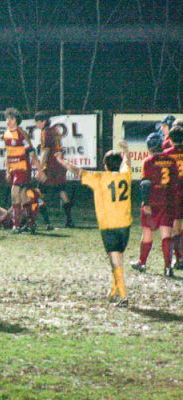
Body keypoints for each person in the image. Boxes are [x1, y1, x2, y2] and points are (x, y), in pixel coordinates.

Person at [57, 141, 131, 307]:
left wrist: (62, 161)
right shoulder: (126, 174)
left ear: (105, 165)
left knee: (114, 260)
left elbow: (77, 171)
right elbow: (127, 162)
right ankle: (114, 291)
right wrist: (125, 151)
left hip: (109, 225)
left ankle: (123, 296)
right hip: (125, 224)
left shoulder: (99, 178)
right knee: (118, 257)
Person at [130, 132, 178, 277]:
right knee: (166, 235)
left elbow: (145, 183)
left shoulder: (148, 161)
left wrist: (145, 202)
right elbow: (175, 181)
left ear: (149, 147)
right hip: (168, 201)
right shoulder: (171, 161)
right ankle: (168, 267)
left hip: (152, 201)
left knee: (147, 234)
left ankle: (142, 262)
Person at [3, 108, 40, 233]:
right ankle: (31, 223)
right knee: (23, 196)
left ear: (17, 120)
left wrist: (38, 168)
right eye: (7, 118)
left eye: (12, 119)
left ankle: (16, 225)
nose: (9, 121)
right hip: (13, 169)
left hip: (23, 168)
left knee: (15, 193)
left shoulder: (21, 133)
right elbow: (8, 154)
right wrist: (7, 170)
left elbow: (31, 150)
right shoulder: (6, 134)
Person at [35, 111, 73, 228]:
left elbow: (46, 151)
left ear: (44, 121)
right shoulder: (55, 130)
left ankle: (47, 222)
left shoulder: (45, 132)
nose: (37, 124)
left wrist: (40, 169)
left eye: (38, 122)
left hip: (50, 166)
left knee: (38, 192)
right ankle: (70, 220)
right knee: (61, 190)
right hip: (59, 165)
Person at [163, 125, 183, 269]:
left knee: (176, 228)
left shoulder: (166, 154)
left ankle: (179, 258)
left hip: (174, 194)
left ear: (170, 140)